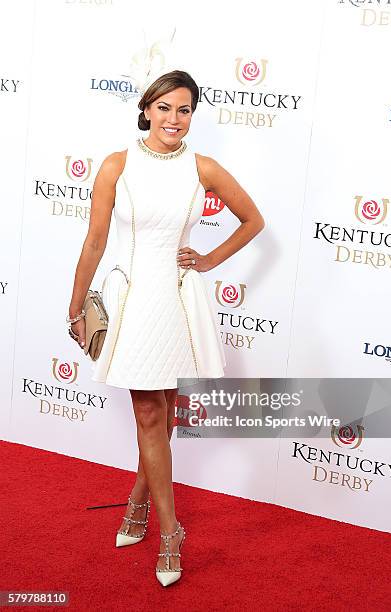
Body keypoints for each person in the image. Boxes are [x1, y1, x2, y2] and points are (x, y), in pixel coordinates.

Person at [67, 69, 265, 587]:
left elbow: (253, 220)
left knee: (160, 418)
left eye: (184, 110)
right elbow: (94, 241)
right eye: (164, 108)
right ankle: (167, 527)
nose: (173, 119)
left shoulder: (203, 168)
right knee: (149, 414)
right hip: (133, 301)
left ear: (192, 115)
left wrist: (208, 260)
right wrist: (75, 304)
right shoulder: (117, 165)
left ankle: (148, 515)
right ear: (146, 109)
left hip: (175, 302)